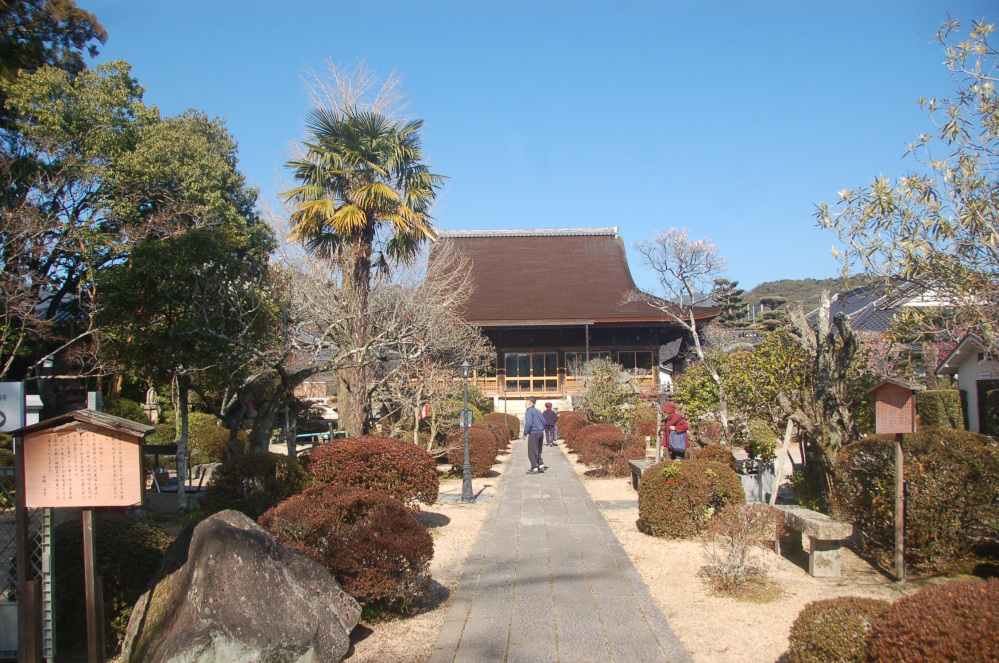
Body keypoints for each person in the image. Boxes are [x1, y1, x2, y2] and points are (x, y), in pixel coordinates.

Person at [523, 396, 547, 473]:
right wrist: (540, 429)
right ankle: (541, 465)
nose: (525, 402)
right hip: (540, 433)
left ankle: (534, 468)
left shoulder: (529, 411)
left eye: (527, 401)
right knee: (538, 450)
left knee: (532, 450)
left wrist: (525, 433)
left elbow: (529, 423)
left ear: (531, 403)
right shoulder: (538, 411)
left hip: (533, 433)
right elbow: (544, 422)